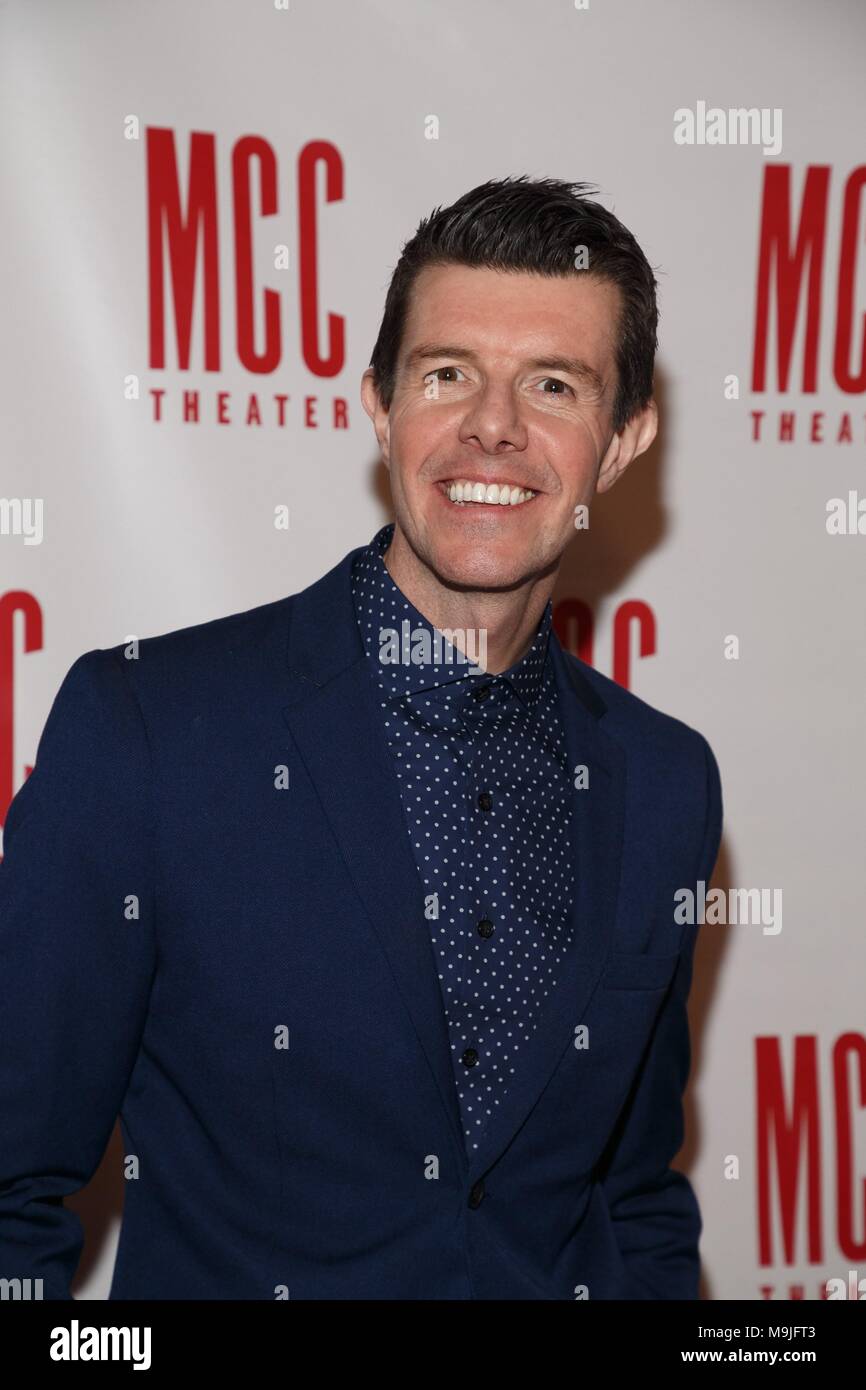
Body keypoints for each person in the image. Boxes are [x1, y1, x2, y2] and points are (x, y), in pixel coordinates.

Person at [0, 176, 722, 1300]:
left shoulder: (664, 782)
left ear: (623, 441)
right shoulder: (149, 727)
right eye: (447, 375)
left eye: (552, 384)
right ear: (379, 405)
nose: (493, 425)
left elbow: (631, 1198)